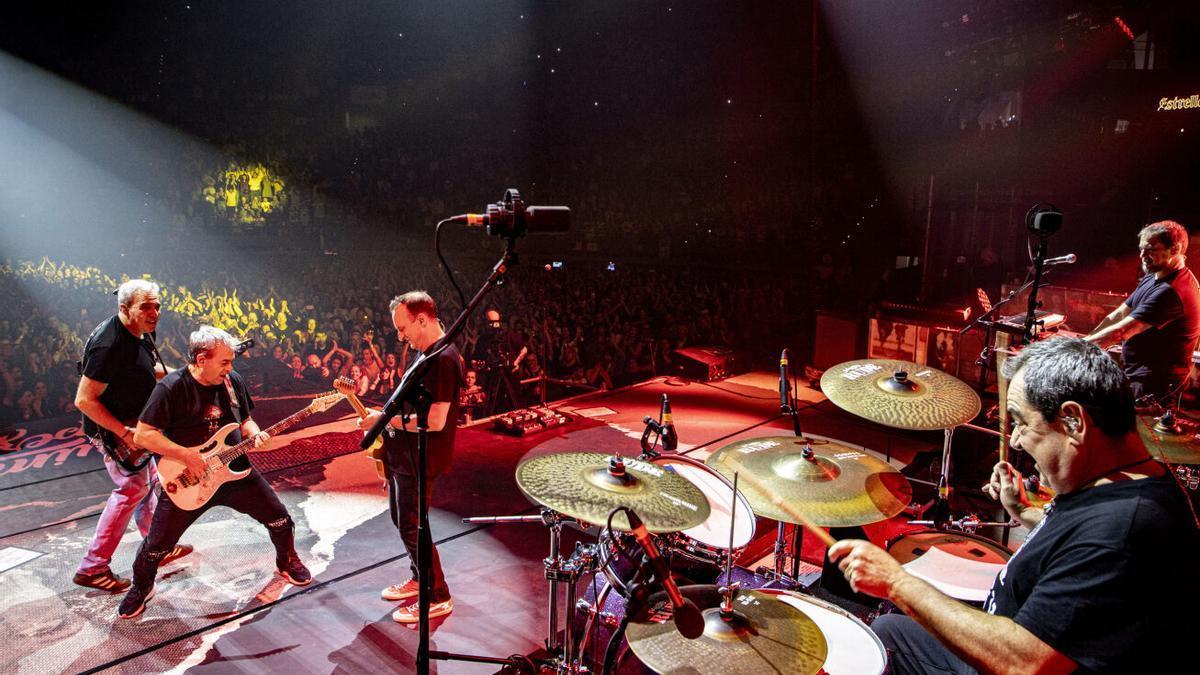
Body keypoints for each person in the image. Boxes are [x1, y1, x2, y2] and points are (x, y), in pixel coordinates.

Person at [829, 337, 1200, 673]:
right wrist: (1026, 514)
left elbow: (1026, 663)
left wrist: (897, 582)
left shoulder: (1122, 529)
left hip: (1011, 657)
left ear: (1073, 421)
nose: (1017, 441)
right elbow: (1080, 550)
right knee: (891, 631)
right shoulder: (1128, 485)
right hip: (1014, 635)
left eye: (1022, 423)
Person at [117, 326, 311, 619]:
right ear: (201, 359)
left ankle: (286, 561)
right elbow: (143, 436)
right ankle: (142, 588)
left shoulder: (232, 382)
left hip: (234, 472)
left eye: (231, 361)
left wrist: (255, 434)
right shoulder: (171, 387)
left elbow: (245, 420)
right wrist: (185, 455)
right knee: (156, 547)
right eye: (224, 362)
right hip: (188, 480)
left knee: (281, 520)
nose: (230, 368)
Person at [73, 279, 192, 592]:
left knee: (148, 484)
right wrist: (122, 432)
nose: (154, 312)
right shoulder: (109, 345)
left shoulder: (140, 332)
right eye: (146, 306)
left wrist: (185, 378)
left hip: (134, 425)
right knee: (132, 488)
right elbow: (84, 400)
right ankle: (92, 567)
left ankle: (156, 547)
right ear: (124, 308)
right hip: (113, 430)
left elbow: (146, 370)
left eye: (157, 305)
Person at [360, 291, 463, 624]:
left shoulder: (443, 359)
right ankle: (420, 578)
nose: (400, 336)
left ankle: (438, 595)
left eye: (403, 328)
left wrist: (383, 420)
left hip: (422, 457)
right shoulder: (427, 353)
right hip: (405, 455)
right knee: (403, 521)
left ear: (423, 319)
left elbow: (435, 420)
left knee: (411, 524)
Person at [1086, 220, 1200, 406]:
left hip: (1156, 385)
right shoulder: (1154, 276)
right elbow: (1117, 316)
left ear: (1175, 249)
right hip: (1139, 376)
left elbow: (1121, 332)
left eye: (1150, 249)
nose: (1141, 255)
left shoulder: (1173, 291)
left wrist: (1075, 349)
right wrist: (1084, 340)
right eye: (1141, 248)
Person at [475, 309, 526, 415]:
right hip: (492, 376)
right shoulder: (482, 339)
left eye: (496, 322)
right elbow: (476, 359)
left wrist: (516, 362)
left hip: (510, 374)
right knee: (493, 404)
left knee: (516, 400)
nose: (494, 325)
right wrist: (479, 365)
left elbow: (524, 349)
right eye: (490, 322)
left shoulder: (508, 335)